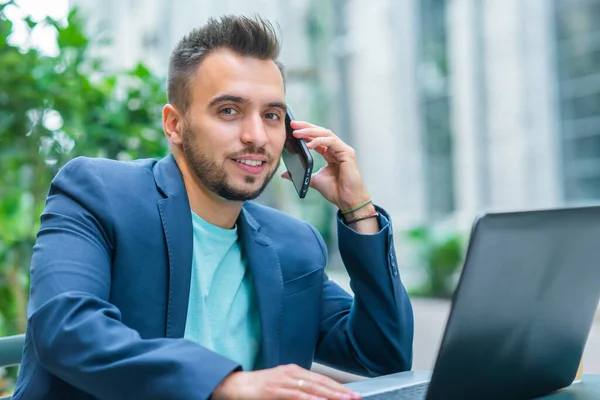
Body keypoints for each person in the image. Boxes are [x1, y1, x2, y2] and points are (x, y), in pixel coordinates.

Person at [12, 15, 414, 400]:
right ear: (174, 124)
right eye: (229, 111)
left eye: (272, 115)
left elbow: (383, 354)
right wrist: (226, 383)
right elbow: (66, 329)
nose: (256, 136)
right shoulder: (100, 194)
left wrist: (357, 209)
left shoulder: (293, 245)